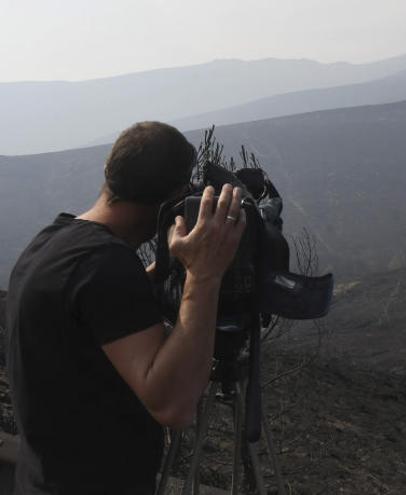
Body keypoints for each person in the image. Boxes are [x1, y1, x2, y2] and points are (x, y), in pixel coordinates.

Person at [4, 121, 246, 493]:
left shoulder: (55, 242)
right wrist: (205, 276)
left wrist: (167, 268)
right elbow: (174, 405)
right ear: (172, 203)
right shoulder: (105, 267)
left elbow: (99, 314)